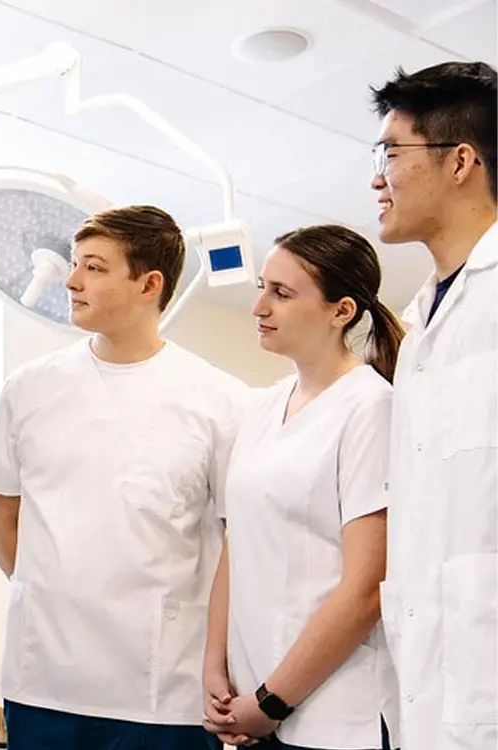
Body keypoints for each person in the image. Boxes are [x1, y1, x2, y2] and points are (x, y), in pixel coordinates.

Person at [0, 205, 247, 749]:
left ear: (149, 284)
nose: (70, 280)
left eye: (93, 268)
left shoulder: (221, 401)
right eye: (76, 265)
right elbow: (2, 515)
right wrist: (56, 596)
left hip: (165, 692)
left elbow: (240, 542)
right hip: (43, 683)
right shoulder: (29, 389)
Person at [203, 226, 404, 750]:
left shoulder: (370, 408)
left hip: (336, 716)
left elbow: (366, 589)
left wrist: (272, 701)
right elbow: (235, 543)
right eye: (262, 287)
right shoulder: (262, 407)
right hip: (251, 707)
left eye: (281, 293)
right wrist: (216, 671)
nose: (258, 306)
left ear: (342, 311)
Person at [368, 61, 497, 750]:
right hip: (428, 695)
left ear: (461, 162)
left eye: (392, 151)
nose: (376, 175)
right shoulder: (418, 329)